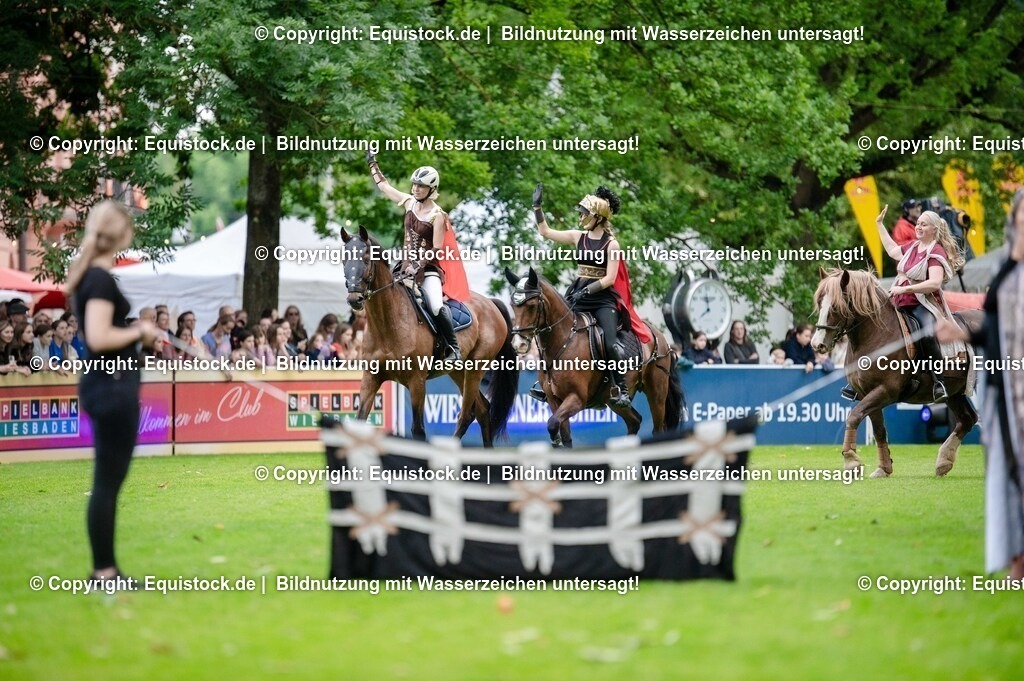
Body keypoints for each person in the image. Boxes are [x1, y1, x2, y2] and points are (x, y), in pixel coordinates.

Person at [64, 200, 159, 587]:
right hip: (111, 387)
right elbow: (100, 336)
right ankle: (104, 572)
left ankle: (106, 569)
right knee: (106, 483)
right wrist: (139, 330)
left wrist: (140, 339)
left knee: (108, 482)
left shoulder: (92, 276)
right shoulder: (100, 279)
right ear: (121, 233)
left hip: (111, 384)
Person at [938, 188, 1024, 582]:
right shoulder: (1005, 266)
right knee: (1008, 471)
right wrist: (960, 334)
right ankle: (1017, 560)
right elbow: (993, 327)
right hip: (1003, 387)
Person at [531, 183, 651, 408]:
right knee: (553, 329)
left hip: (602, 299)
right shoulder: (578, 236)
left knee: (610, 343)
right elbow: (545, 232)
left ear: (597, 217)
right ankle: (546, 382)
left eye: (584, 213)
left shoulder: (612, 245)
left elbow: (609, 278)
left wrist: (587, 290)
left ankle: (621, 389)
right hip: (577, 293)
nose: (580, 217)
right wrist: (537, 207)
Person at [366, 151, 470, 361]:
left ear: (431, 189)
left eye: (420, 186)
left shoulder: (437, 216)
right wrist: (372, 164)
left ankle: (453, 348)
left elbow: (437, 248)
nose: (415, 188)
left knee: (436, 305)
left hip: (428, 270)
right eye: (414, 184)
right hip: (404, 267)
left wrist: (418, 265)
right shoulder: (409, 202)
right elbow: (384, 187)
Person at [876, 204, 964, 403]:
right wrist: (879, 225)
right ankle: (864, 381)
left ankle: (939, 382)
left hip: (921, 304)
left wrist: (904, 289)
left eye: (923, 224)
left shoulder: (936, 251)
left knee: (927, 333)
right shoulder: (912, 247)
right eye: (917, 223)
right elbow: (891, 250)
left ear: (934, 229)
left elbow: (934, 283)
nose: (918, 227)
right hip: (899, 301)